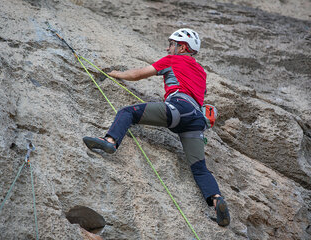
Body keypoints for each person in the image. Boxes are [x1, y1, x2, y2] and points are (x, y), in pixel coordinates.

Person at [83, 28, 230, 227]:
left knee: (128, 112)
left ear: (182, 47)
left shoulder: (173, 60)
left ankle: (109, 141)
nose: (168, 47)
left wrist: (115, 73)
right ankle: (216, 200)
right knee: (199, 168)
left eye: (171, 44)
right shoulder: (201, 73)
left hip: (178, 108)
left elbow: (138, 75)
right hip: (196, 120)